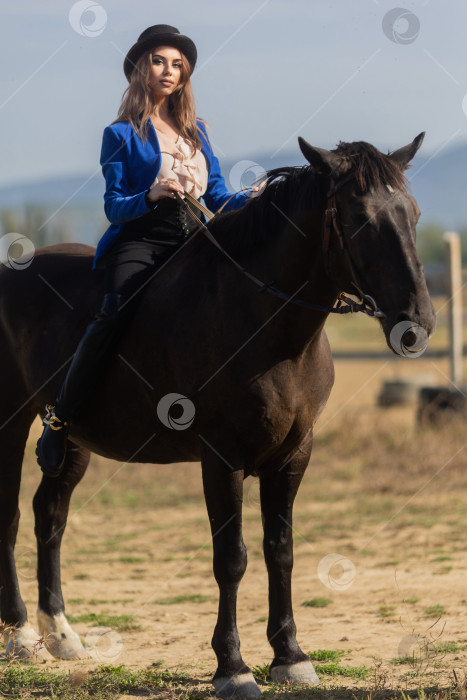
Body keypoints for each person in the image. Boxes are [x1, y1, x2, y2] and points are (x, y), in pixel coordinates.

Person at [36, 24, 262, 477]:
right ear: (141, 68)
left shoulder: (196, 131)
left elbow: (216, 195)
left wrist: (251, 199)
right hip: (142, 238)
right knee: (112, 314)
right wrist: (153, 193)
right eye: (160, 61)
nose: (169, 71)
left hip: (195, 238)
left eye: (178, 65)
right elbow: (114, 206)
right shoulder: (120, 134)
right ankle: (59, 419)